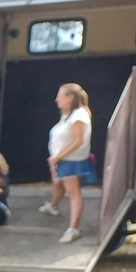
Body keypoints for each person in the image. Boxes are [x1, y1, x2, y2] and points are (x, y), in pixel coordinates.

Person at [39, 82, 94, 243]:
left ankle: (73, 228)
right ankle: (53, 206)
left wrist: (58, 156)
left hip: (70, 160)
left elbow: (79, 140)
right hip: (61, 159)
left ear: (70, 98)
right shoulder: (68, 115)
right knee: (58, 183)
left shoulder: (79, 115)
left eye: (60, 96)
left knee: (73, 193)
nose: (57, 99)